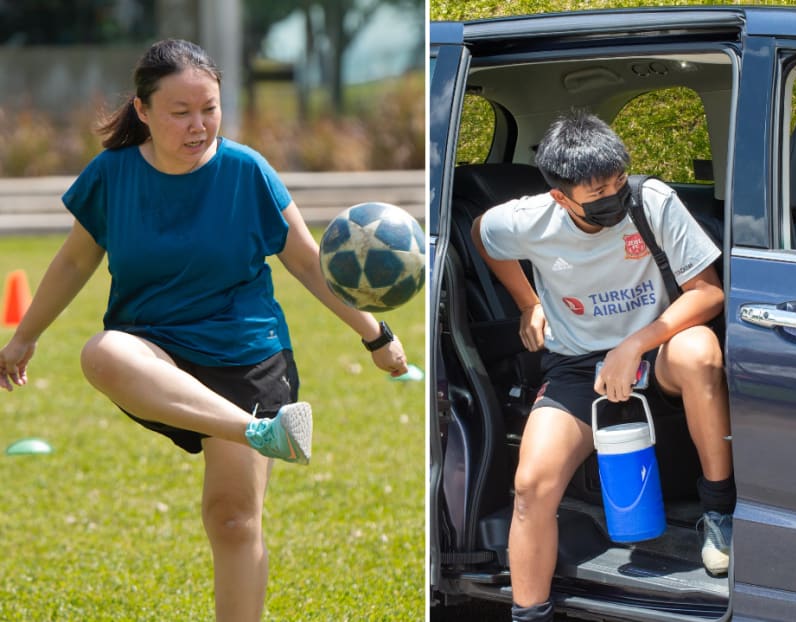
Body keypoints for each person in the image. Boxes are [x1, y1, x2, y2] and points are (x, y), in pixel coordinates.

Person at [0, 39, 408, 622]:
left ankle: (259, 430)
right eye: (180, 112)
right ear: (142, 111)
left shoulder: (246, 171)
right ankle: (262, 431)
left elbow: (306, 260)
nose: (199, 126)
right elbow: (73, 261)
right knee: (101, 352)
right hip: (155, 354)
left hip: (245, 354)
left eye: (210, 109)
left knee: (233, 517)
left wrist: (376, 335)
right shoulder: (112, 174)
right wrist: (24, 337)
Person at [471, 111, 735, 622]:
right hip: (575, 366)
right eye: (598, 193)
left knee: (701, 350)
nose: (614, 196)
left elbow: (708, 293)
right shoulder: (529, 219)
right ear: (560, 197)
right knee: (530, 487)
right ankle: (530, 613)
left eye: (619, 181)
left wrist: (635, 344)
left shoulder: (652, 202)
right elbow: (483, 233)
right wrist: (528, 301)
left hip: (658, 350)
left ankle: (719, 512)